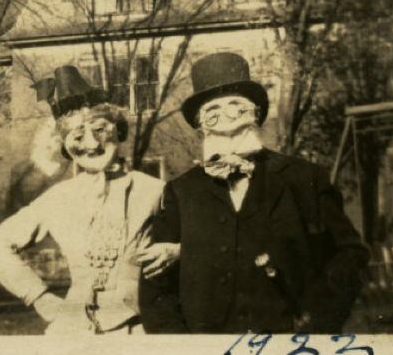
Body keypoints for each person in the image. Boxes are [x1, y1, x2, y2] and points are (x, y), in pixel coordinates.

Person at [139, 52, 369, 334]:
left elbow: (349, 255)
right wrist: (182, 346)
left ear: (255, 114)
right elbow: (155, 285)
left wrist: (317, 322)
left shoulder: (303, 178)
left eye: (235, 104)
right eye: (212, 109)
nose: (224, 114)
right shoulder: (180, 190)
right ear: (200, 123)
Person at [0, 65, 177, 334]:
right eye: (77, 135)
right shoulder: (58, 198)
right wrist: (39, 296)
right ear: (65, 145)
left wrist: (177, 251)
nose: (91, 142)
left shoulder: (156, 189)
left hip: (141, 327)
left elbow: (207, 241)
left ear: (118, 131)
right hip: (74, 330)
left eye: (100, 129)